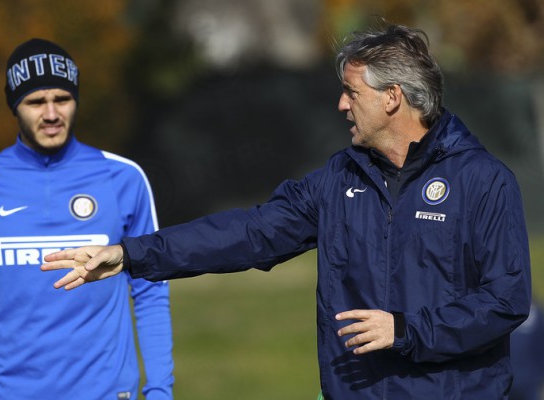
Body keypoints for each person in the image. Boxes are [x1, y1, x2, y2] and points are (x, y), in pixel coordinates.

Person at [41, 24, 531, 399]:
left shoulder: (483, 181)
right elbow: (250, 232)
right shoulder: (339, 179)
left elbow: (506, 300)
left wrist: (405, 330)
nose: (341, 105)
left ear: (392, 98)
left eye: (352, 92)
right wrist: (131, 254)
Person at [0, 38, 174, 400]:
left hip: (107, 392)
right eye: (35, 102)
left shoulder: (123, 178)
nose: (51, 114)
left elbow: (151, 291)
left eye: (62, 98)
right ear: (15, 105)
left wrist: (159, 390)